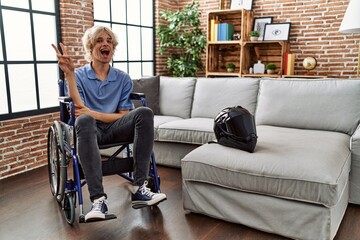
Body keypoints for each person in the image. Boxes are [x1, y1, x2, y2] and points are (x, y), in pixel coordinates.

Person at [52, 25, 166, 222]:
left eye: (109, 41)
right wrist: (69, 74)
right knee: (86, 119)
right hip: (89, 131)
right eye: (99, 40)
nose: (105, 44)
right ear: (91, 47)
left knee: (144, 112)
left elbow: (123, 115)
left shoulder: (122, 78)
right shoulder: (79, 75)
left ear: (113, 48)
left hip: (115, 129)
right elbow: (80, 112)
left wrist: (93, 113)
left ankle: (139, 187)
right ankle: (98, 201)